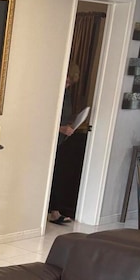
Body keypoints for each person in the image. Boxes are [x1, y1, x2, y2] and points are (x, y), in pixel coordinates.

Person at [48, 62, 81, 224]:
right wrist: (61, 128)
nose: (67, 86)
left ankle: (55, 211)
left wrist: (70, 126)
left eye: (70, 84)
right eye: (66, 82)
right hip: (49, 139)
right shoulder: (51, 91)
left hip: (61, 141)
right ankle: (52, 211)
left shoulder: (66, 94)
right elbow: (47, 117)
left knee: (58, 175)